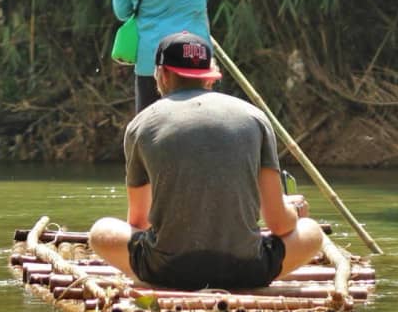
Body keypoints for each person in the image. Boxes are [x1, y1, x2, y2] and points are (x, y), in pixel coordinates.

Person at [89, 31, 325, 291]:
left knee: (102, 231)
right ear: (209, 76)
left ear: (163, 74)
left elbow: (139, 221)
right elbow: (279, 223)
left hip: (167, 270)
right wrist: (294, 210)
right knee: (311, 232)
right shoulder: (255, 117)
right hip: (247, 269)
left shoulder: (141, 125)